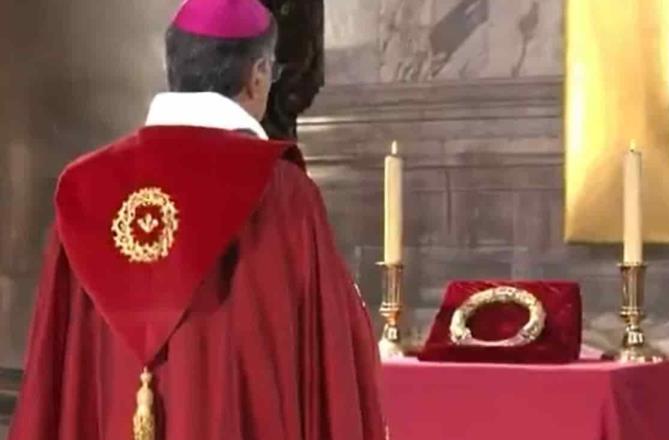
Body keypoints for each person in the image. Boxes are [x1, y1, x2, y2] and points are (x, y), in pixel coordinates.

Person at [7, 0, 386, 439]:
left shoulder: (83, 188)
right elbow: (333, 368)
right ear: (258, 73)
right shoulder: (284, 195)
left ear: (174, 66)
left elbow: (52, 383)